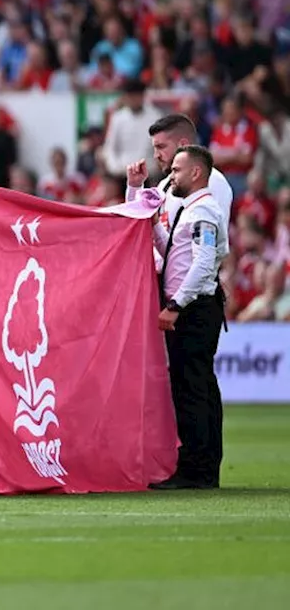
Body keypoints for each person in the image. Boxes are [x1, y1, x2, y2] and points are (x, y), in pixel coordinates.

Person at [150, 145, 226, 491]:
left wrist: (176, 305)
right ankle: (201, 467)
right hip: (191, 308)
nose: (171, 176)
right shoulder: (192, 210)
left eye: (177, 170)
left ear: (196, 173)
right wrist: (152, 225)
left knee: (191, 389)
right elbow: (173, 251)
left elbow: (202, 263)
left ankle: (196, 469)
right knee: (193, 387)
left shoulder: (205, 211)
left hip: (194, 311)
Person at [127, 114, 234, 229]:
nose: (156, 155)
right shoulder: (164, 185)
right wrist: (135, 187)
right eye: (155, 148)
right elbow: (139, 226)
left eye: (161, 147)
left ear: (183, 145)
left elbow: (212, 239)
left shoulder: (212, 180)